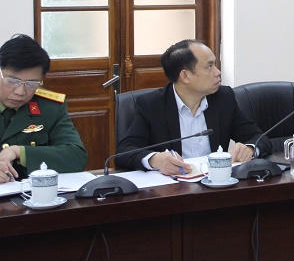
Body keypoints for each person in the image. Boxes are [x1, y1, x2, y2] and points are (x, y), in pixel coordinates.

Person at [116, 39, 271, 175]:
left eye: (215, 64)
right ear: (185, 76)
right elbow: (124, 152)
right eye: (209, 66)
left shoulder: (223, 98)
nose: (218, 72)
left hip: (215, 186)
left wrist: (250, 148)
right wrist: (155, 159)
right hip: (173, 191)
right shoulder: (152, 105)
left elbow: (259, 138)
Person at [0, 34, 87, 184]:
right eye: (12, 81)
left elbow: (76, 156)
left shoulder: (50, 107)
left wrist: (19, 152)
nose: (20, 92)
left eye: (32, 84)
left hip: (33, 194)